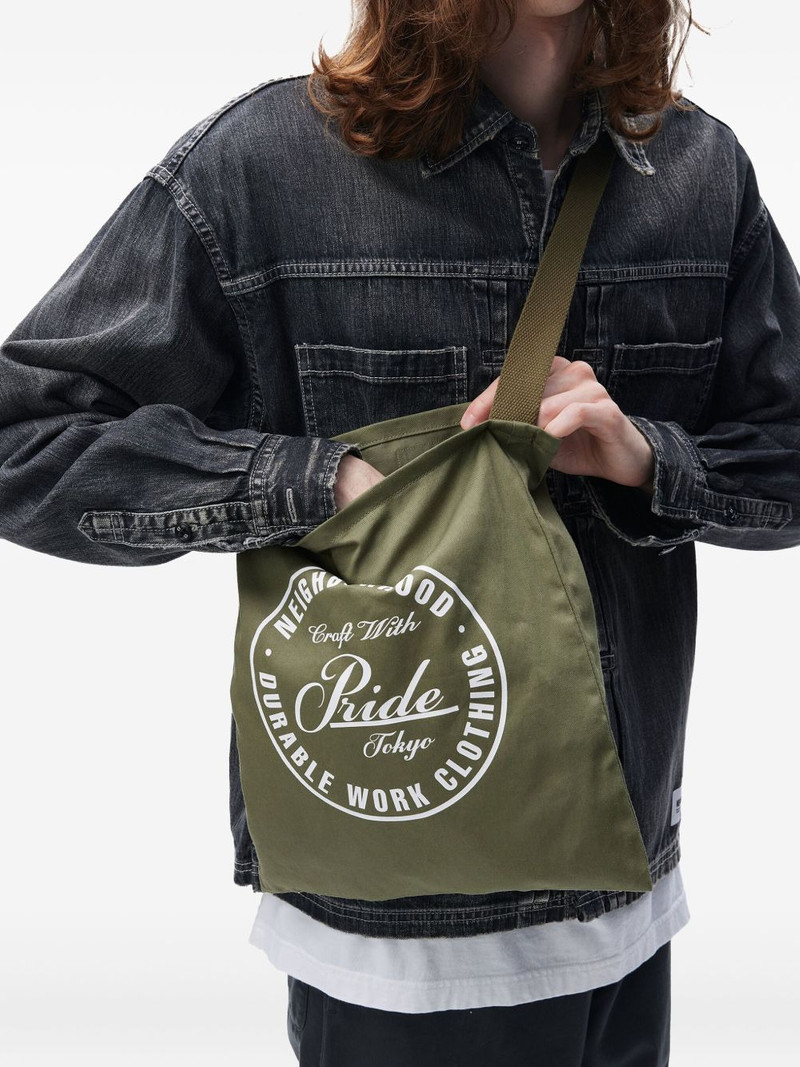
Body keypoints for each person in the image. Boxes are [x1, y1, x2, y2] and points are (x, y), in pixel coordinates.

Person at [1, 1, 799, 1064]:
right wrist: (314, 482)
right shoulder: (265, 165)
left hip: (627, 890)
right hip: (388, 939)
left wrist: (649, 461)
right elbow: (27, 434)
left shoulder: (694, 172)